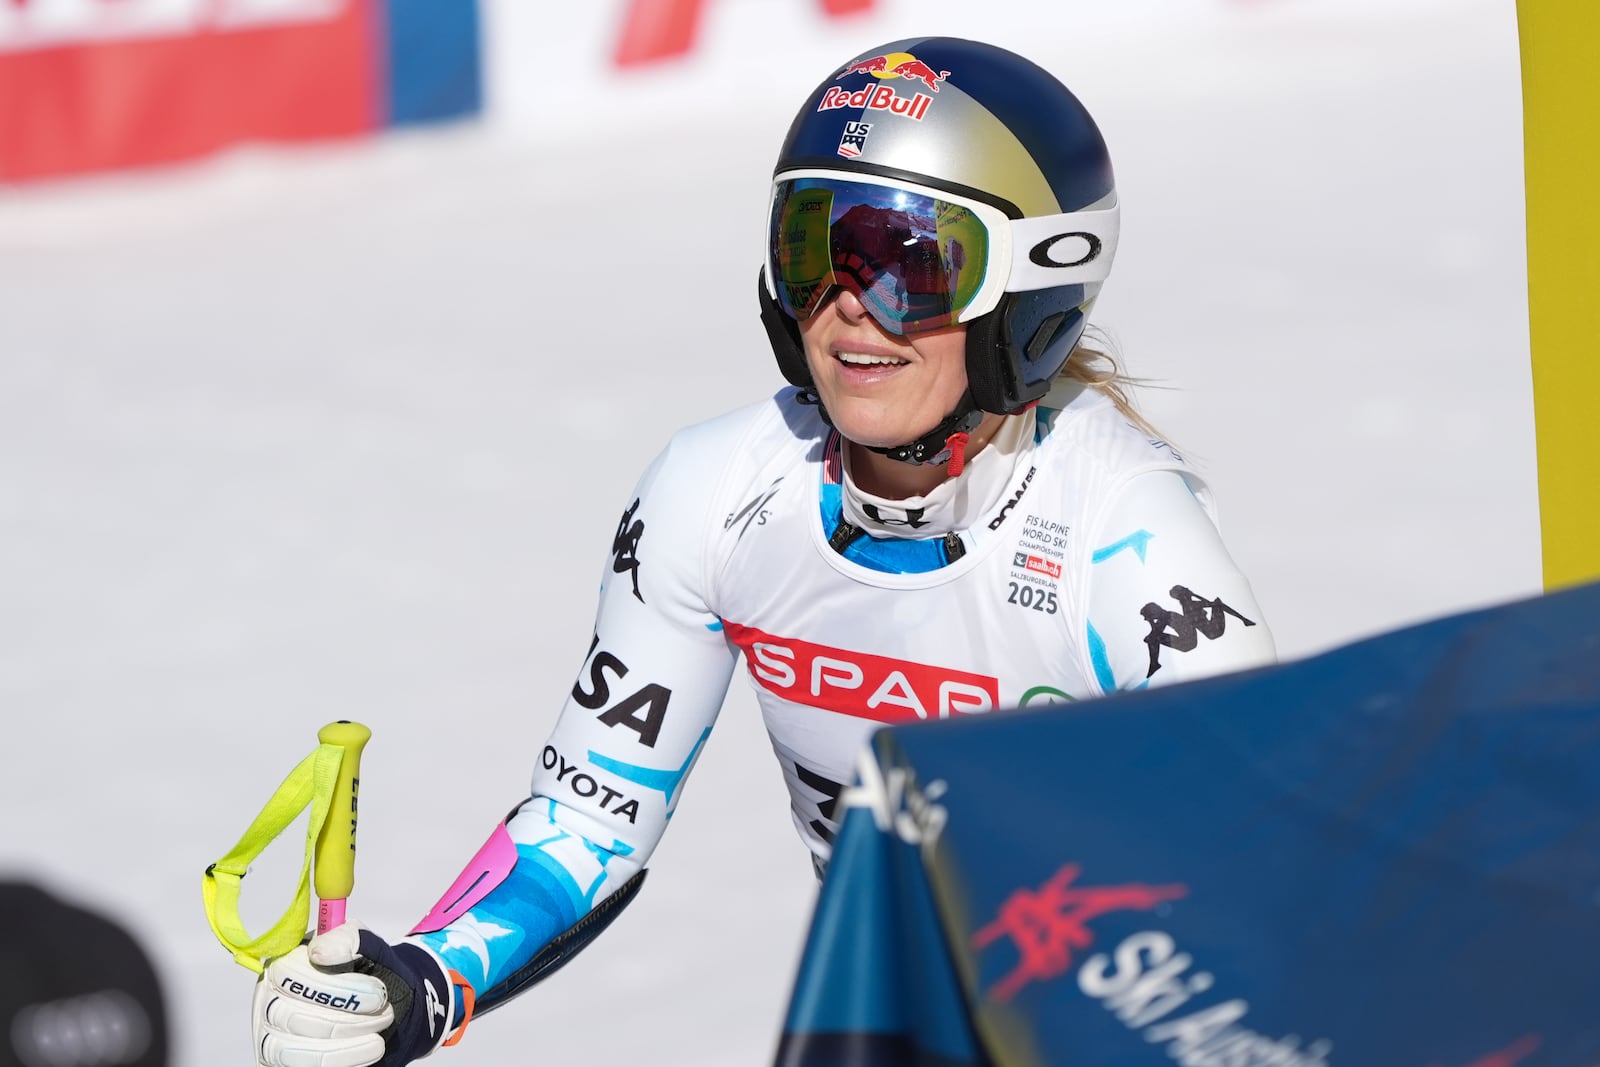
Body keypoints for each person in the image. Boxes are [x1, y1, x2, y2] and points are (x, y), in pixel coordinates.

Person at [249, 36, 1277, 1067]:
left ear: (1034, 287)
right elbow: (586, 817)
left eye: (910, 260)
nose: (847, 301)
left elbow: (1274, 873)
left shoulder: (1124, 535)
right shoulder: (716, 490)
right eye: (811, 246)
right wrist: (421, 982)